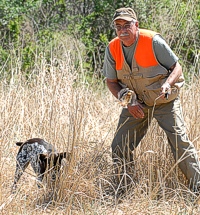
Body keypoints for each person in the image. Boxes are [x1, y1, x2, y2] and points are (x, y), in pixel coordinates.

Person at [102, 7, 200, 191]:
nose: (122, 30)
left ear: (136, 25)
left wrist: (168, 84)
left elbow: (176, 67)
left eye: (127, 25)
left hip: (164, 101)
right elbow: (111, 82)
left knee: (180, 141)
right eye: (118, 26)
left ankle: (198, 187)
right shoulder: (112, 48)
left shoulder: (152, 41)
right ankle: (125, 187)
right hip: (135, 103)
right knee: (118, 146)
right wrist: (128, 102)